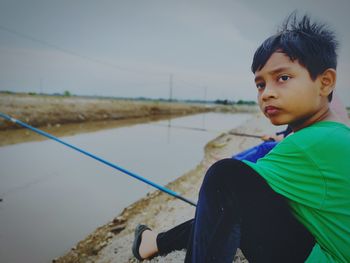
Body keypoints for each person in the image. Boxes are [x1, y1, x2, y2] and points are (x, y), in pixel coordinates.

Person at [132, 13, 350, 262]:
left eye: (283, 78)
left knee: (224, 177)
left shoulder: (310, 144)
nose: (267, 93)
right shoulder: (333, 133)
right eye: (260, 84)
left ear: (325, 82)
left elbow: (233, 192)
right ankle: (153, 244)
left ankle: (153, 244)